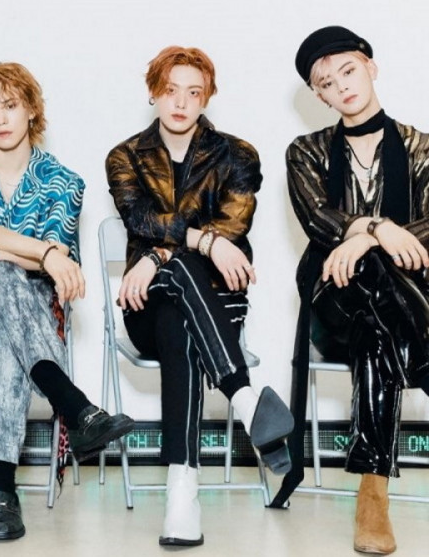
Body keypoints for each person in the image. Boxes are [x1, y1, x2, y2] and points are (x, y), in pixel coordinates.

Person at [0, 62, 134, 542]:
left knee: (1, 322)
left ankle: (0, 491)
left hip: (25, 319)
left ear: (31, 110)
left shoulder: (63, 181)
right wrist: (29, 252)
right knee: (2, 280)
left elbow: (55, 258)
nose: (0, 118)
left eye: (10, 105)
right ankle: (74, 405)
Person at [106, 46, 293, 547]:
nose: (181, 102)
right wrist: (199, 243)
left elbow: (231, 228)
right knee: (172, 304)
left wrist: (158, 256)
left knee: (180, 322)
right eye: (171, 90)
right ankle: (246, 399)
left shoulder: (238, 155)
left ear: (208, 97)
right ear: (153, 93)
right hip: (145, 306)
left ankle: (181, 494)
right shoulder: (125, 157)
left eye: (194, 92)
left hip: (217, 304)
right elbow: (139, 219)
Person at [279, 26, 429, 555]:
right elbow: (319, 220)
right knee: (368, 282)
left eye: (348, 70)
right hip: (330, 299)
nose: (341, 85)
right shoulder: (306, 151)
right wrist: (378, 229)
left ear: (371, 67)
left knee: (377, 324)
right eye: (327, 82)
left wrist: (365, 239)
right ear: (318, 96)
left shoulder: (421, 147)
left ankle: (373, 492)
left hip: (387, 312)